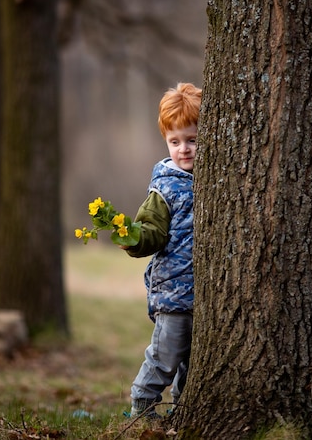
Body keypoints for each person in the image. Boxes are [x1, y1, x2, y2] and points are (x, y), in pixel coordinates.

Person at [121, 82, 202, 419]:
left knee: (194, 359)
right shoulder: (165, 185)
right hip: (173, 290)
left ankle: (182, 409)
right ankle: (143, 402)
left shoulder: (212, 177)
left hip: (202, 293)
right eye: (175, 141)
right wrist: (134, 237)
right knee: (167, 352)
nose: (184, 149)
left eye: (192, 140)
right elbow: (152, 229)